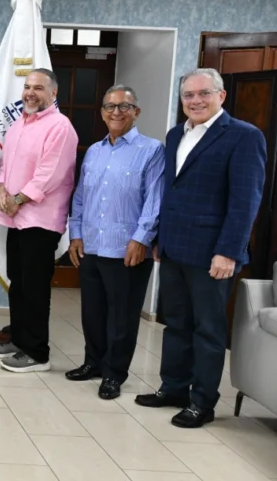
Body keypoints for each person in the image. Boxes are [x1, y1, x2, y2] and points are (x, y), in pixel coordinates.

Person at [135, 68, 265, 428]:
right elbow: (171, 192)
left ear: (221, 96)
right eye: (188, 96)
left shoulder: (243, 137)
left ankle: (202, 402)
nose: (195, 101)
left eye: (203, 94)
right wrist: (160, 239)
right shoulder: (177, 134)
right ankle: (173, 388)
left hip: (213, 255)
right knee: (175, 323)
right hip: (175, 248)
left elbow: (245, 202)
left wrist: (229, 251)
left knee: (207, 329)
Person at [66, 85, 163, 399]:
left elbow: (155, 200)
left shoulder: (152, 150)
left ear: (136, 111)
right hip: (92, 244)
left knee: (122, 316)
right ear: (102, 112)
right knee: (92, 312)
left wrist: (141, 239)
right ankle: (93, 363)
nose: (116, 112)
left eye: (124, 106)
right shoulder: (94, 150)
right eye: (110, 106)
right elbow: (80, 197)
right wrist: (75, 235)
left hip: (128, 249)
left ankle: (114, 374)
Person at [0, 68, 78, 373]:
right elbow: (5, 166)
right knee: (19, 281)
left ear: (53, 93)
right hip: (16, 219)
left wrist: (18, 199)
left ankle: (37, 352)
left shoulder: (60, 127)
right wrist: (1, 188)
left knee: (35, 287)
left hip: (40, 220)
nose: (30, 92)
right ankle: (19, 338)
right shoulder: (18, 125)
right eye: (27, 87)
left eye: (38, 88)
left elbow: (49, 174)